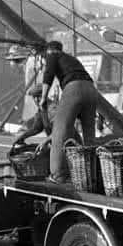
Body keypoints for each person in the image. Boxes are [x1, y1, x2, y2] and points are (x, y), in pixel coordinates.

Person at [40, 41, 98, 184]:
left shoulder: (53, 55)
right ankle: (92, 175)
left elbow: (48, 74)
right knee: (89, 136)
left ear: (49, 51)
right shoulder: (72, 59)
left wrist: (43, 98)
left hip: (73, 88)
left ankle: (57, 175)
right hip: (91, 90)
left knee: (60, 131)